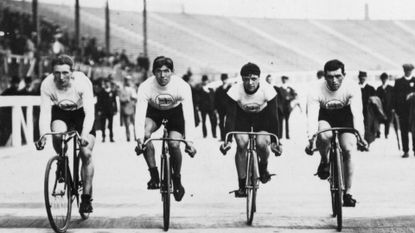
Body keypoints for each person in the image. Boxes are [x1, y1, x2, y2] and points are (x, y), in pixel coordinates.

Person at [35, 55, 96, 213]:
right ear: (52, 73)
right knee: (57, 134)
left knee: (86, 153)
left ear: (72, 72)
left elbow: (90, 113)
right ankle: (62, 161)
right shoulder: (47, 84)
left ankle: (86, 199)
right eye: (56, 73)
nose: (60, 77)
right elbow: (45, 113)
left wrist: (84, 135)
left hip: (82, 114)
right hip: (61, 112)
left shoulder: (82, 82)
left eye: (65, 73)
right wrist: (43, 135)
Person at [135, 56, 197, 202]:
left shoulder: (182, 86)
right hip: (154, 112)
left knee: (174, 144)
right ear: (153, 72)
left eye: (166, 71)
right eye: (158, 71)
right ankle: (154, 175)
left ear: (172, 72)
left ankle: (176, 178)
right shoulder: (145, 86)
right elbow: (139, 115)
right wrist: (138, 139)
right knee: (145, 135)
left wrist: (190, 141)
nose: (162, 75)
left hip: (175, 113)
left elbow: (189, 115)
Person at [306, 59, 367, 207]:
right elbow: (312, 116)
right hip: (325, 116)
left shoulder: (352, 87)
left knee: (348, 149)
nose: (334, 80)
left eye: (338, 76)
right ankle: (325, 161)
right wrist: (310, 139)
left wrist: (361, 136)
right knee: (324, 135)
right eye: (330, 77)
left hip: (345, 116)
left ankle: (348, 193)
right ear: (324, 76)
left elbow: (357, 114)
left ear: (344, 75)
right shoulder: (315, 88)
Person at [220, 62, 282, 198]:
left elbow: (274, 117)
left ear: (259, 78)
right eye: (246, 79)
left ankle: (263, 166)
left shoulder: (268, 90)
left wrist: (275, 141)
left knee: (261, 143)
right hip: (242, 119)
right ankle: (242, 184)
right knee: (241, 144)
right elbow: (230, 117)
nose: (250, 82)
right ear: (241, 79)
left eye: (253, 79)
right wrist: (228, 140)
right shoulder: (234, 90)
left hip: (263, 118)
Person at [393, 64, 415, 158]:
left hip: (414, 112)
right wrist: (395, 109)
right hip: (403, 112)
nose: (408, 72)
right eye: (406, 70)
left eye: (409, 70)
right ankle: (405, 150)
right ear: (404, 71)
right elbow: (395, 97)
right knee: (404, 131)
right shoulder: (398, 82)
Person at [118, 76, 137, 141]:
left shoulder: (132, 89)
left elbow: (135, 97)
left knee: (135, 124)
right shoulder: (122, 89)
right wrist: (126, 99)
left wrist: (134, 100)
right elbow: (120, 99)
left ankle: (136, 137)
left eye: (129, 80)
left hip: (132, 108)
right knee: (127, 124)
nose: (128, 82)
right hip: (126, 108)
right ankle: (128, 137)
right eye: (126, 80)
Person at [214, 73, 231, 141]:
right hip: (220, 109)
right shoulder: (219, 89)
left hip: (228, 108)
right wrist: (215, 108)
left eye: (225, 79)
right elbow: (216, 99)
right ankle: (223, 137)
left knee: (228, 123)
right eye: (223, 79)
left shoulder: (230, 88)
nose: (224, 81)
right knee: (221, 123)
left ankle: (229, 138)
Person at [376, 73, 394, 138]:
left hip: (388, 108)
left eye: (385, 79)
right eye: (382, 79)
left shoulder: (391, 88)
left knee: (387, 121)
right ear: (381, 80)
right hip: (381, 108)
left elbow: (393, 99)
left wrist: (392, 108)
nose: (384, 80)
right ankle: (378, 133)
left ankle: (386, 134)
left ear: (387, 79)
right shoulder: (379, 89)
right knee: (378, 120)